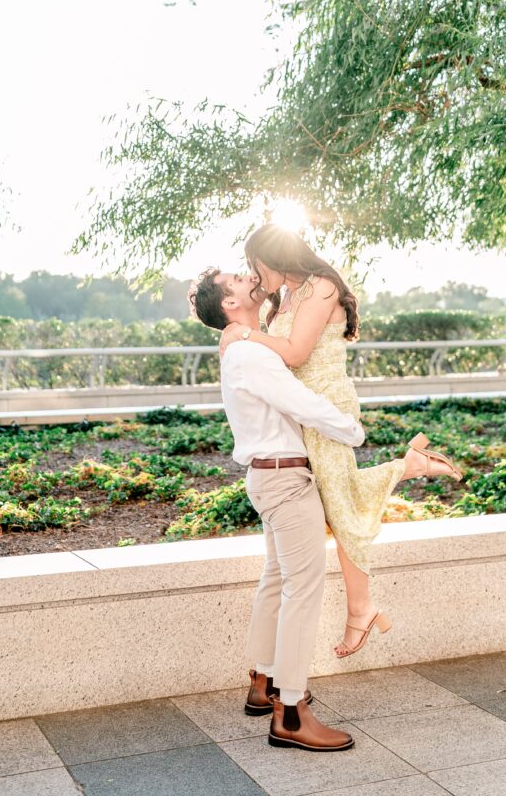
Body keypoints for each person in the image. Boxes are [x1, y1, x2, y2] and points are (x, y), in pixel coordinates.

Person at [218, 224, 465, 658]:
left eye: (256, 264)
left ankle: (361, 609)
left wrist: (243, 333)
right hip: (301, 410)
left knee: (340, 503)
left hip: (326, 407)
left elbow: (294, 353)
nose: (254, 275)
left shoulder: (322, 288)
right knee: (338, 500)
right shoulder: (287, 297)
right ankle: (409, 466)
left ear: (274, 256)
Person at [190, 267, 368, 750]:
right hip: (285, 479)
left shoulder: (246, 346)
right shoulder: (249, 352)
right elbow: (302, 401)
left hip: (271, 476)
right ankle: (290, 712)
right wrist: (352, 430)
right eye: (237, 279)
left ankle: (262, 682)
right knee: (303, 590)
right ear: (229, 304)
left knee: (276, 579)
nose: (250, 277)